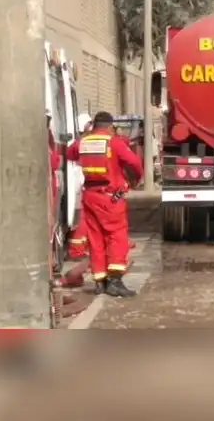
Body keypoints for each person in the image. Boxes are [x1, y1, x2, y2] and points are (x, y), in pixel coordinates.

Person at [66, 111, 144, 298]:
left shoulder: (83, 142)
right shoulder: (114, 142)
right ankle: (115, 281)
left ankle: (100, 281)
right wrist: (135, 179)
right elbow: (135, 163)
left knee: (95, 238)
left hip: (90, 196)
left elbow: (70, 154)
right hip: (110, 198)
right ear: (109, 126)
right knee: (116, 236)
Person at [67, 113, 93, 260]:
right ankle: (77, 249)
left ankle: (81, 247)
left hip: (82, 182)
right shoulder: (84, 142)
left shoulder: (80, 142)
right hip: (82, 183)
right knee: (83, 218)